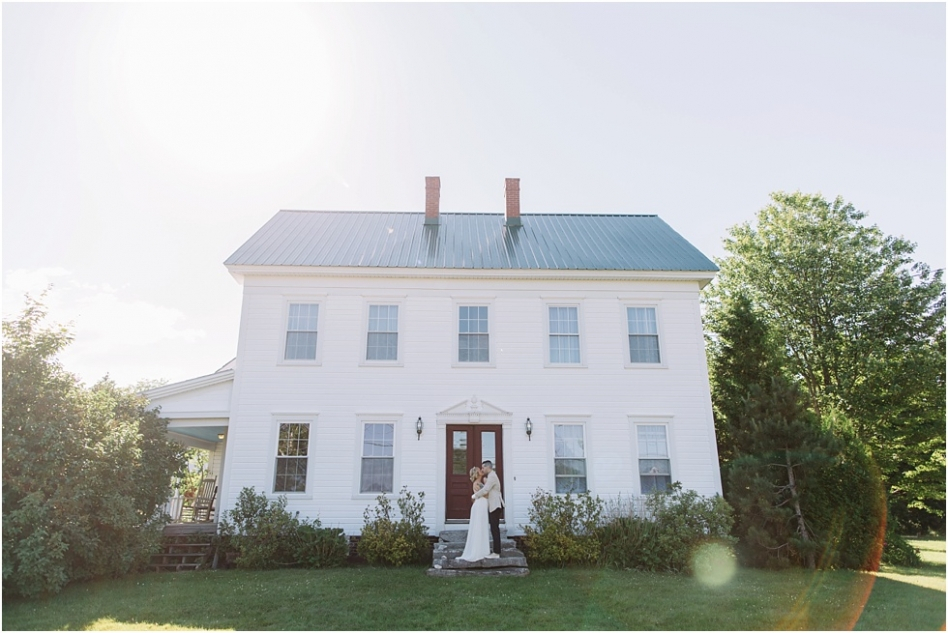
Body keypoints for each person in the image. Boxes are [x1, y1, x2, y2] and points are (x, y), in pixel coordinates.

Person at [457, 466, 491, 562]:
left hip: (482, 505)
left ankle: (483, 550)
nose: (481, 470)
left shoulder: (480, 483)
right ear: (477, 473)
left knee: (482, 526)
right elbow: (486, 494)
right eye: (479, 470)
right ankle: (478, 551)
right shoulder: (477, 484)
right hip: (479, 506)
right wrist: (487, 484)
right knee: (479, 527)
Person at [473, 460, 504, 558]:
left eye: (483, 467)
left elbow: (486, 490)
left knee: (494, 529)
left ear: (488, 467)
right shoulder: (491, 476)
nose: (482, 469)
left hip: (495, 505)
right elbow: (487, 488)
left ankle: (496, 553)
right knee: (494, 528)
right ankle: (496, 551)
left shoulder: (492, 476)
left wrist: (475, 496)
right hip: (494, 505)